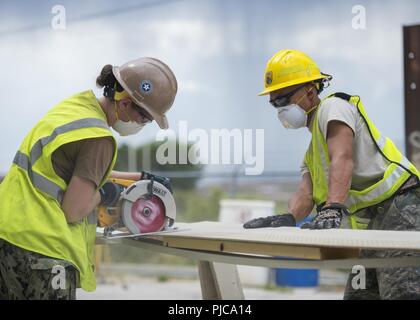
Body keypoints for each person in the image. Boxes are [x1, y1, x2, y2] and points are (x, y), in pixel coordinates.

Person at [244, 49, 420, 299]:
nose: (280, 109)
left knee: (402, 291)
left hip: (402, 205)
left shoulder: (333, 107)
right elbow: (305, 194)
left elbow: (342, 157)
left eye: (284, 99)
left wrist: (333, 206)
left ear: (310, 91)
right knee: (359, 294)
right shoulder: (311, 153)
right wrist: (289, 217)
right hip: (372, 221)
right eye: (275, 103)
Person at [0, 57, 178, 300]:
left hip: (8, 237)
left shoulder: (74, 110)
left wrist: (140, 178)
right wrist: (105, 194)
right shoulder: (99, 139)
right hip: (42, 251)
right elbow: (74, 210)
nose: (143, 124)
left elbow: (78, 171)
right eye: (145, 118)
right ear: (125, 104)